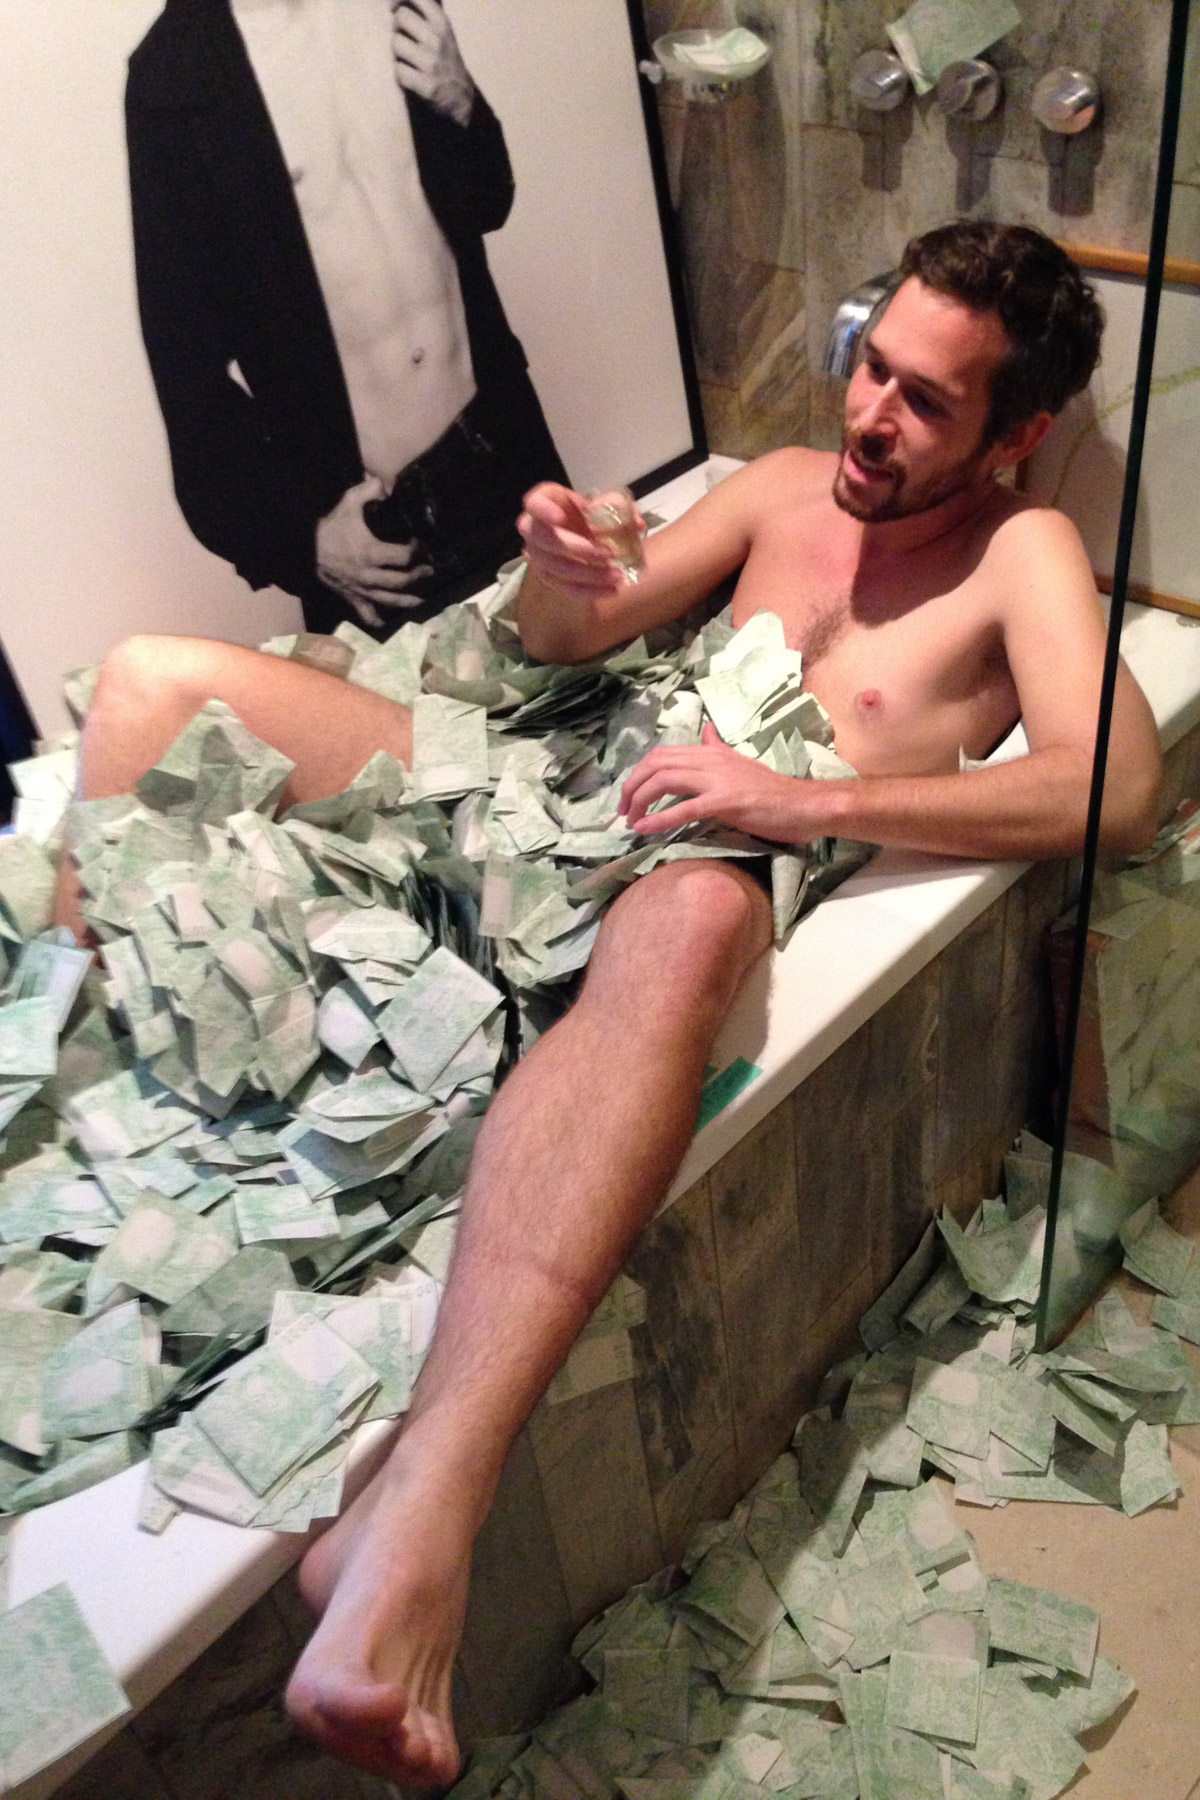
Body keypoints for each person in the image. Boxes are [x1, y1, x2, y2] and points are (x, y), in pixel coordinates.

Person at [64, 222, 1162, 1786]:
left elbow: (1113, 786)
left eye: (927, 400)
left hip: (696, 858)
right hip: (541, 788)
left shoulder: (1021, 554)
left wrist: (794, 801)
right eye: (872, 366)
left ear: (1015, 433)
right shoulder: (783, 486)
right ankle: (84, 1144)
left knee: (698, 914)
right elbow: (573, 637)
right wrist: (560, 566)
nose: (870, 413)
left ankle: (420, 1515)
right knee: (148, 687)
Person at [125, 0, 567, 636]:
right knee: (415, 708)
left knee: (603, 675)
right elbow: (184, 365)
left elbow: (487, 201)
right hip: (383, 527)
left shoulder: (397, 5)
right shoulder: (176, 74)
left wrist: (463, 104)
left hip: (507, 449)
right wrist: (301, 539)